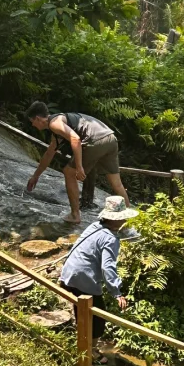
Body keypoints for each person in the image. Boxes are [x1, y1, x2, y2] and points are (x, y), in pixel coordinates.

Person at [24, 103, 129, 223]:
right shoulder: (58, 124)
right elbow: (49, 153)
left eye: (32, 121)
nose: (32, 124)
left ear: (38, 118)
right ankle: (127, 218)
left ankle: (75, 215)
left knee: (69, 172)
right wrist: (36, 176)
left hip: (96, 140)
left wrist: (79, 167)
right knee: (117, 184)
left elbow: (75, 139)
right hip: (110, 138)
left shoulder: (54, 123)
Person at [58, 193, 137, 340]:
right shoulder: (111, 239)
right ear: (118, 219)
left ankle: (81, 338)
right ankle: (91, 351)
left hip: (68, 273)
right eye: (124, 216)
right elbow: (107, 267)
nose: (126, 219)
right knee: (97, 319)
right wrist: (116, 292)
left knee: (81, 306)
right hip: (83, 278)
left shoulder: (94, 226)